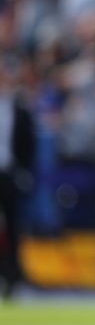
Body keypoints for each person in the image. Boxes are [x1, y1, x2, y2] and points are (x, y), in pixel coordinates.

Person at [0, 58, 36, 300]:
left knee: (13, 228)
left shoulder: (19, 109)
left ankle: (12, 278)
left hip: (8, 174)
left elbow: (27, 144)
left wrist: (23, 171)